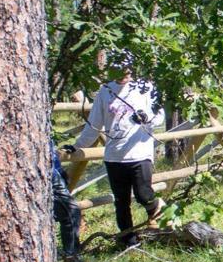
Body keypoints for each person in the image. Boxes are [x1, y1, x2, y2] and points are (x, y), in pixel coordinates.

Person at [69, 60, 165, 246]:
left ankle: (161, 218)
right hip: (114, 156)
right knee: (121, 202)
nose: (124, 72)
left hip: (139, 153)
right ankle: (128, 241)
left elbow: (159, 115)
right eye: (119, 67)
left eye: (127, 67)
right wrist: (77, 146)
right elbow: (94, 124)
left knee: (144, 194)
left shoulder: (145, 88)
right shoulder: (106, 91)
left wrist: (147, 118)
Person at [50, 141, 84, 262]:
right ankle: (71, 261)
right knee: (71, 213)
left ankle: (71, 259)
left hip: (53, 171)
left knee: (71, 213)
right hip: (49, 174)